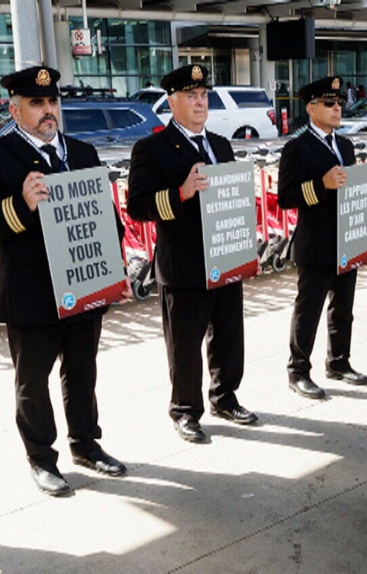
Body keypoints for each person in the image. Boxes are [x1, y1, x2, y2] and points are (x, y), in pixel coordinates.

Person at [0, 66, 129, 496]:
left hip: (84, 283)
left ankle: (86, 444)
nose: (48, 111)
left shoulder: (83, 152)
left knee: (82, 371)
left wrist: (110, 257)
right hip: (32, 291)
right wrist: (21, 204)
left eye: (52, 102)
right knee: (33, 381)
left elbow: (108, 218)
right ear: (15, 110)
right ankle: (41, 458)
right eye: (37, 103)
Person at [127, 65, 258, 444]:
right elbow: (137, 206)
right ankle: (186, 410)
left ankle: (225, 396)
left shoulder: (220, 144)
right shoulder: (151, 148)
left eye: (203, 96)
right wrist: (179, 193)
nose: (200, 102)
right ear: (171, 101)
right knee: (185, 344)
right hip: (184, 262)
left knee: (229, 336)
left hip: (226, 253)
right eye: (191, 96)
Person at [278, 76, 367, 401]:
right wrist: (321, 185)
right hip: (315, 243)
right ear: (311, 108)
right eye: (329, 103)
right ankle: (298, 370)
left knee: (343, 308)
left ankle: (339, 361)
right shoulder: (297, 148)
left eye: (339, 102)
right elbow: (285, 197)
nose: (336, 108)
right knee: (309, 310)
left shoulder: (345, 145)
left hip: (346, 239)